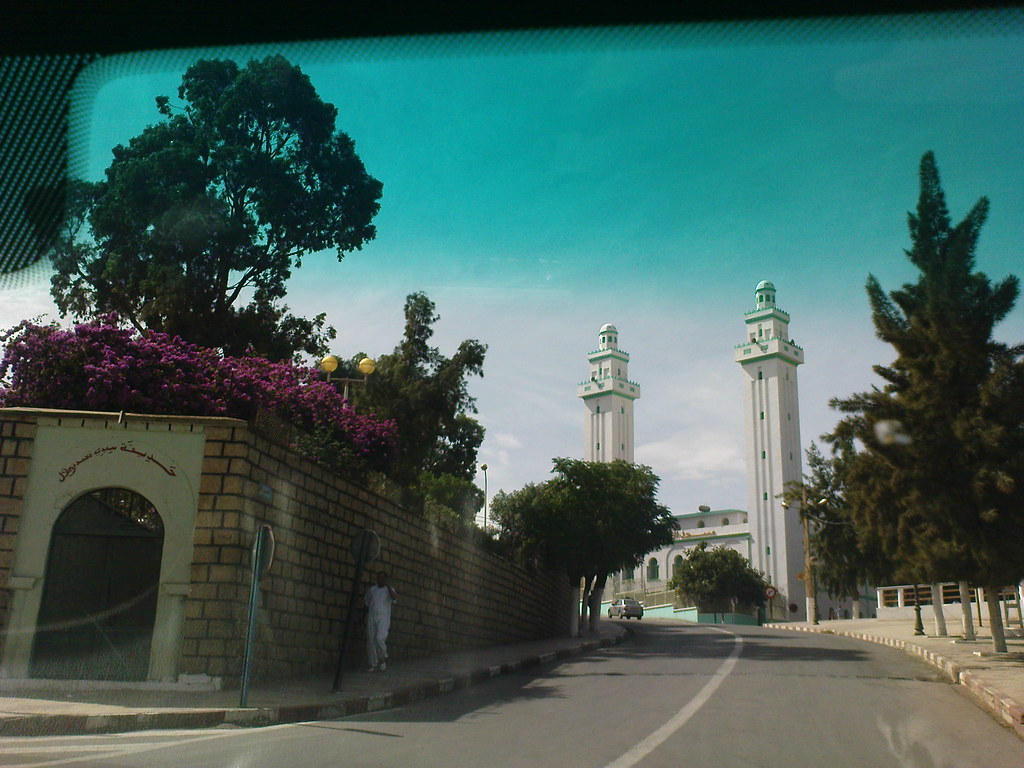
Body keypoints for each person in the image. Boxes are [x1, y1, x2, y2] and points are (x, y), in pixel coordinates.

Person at [364, 570, 397, 671]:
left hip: (383, 618)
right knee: (371, 640)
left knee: (379, 638)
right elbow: (367, 602)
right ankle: (373, 664)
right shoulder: (372, 590)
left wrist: (388, 586)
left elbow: (394, 597)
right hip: (372, 616)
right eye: (378, 577)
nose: (380, 579)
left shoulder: (389, 590)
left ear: (385, 579)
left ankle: (383, 658)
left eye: (382, 578)